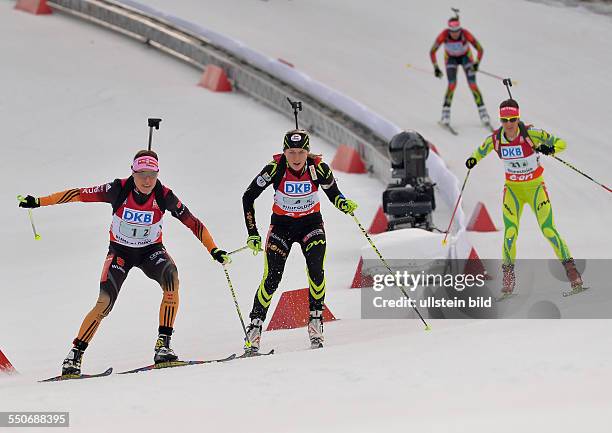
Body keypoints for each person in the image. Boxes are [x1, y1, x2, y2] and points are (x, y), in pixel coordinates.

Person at [18, 150, 231, 375]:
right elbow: (78, 194)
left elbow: (193, 223)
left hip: (151, 251)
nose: (147, 181)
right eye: (142, 175)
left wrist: (213, 249)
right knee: (104, 302)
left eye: (152, 175)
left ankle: (163, 347)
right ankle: (74, 356)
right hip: (120, 252)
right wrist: (39, 202)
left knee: (171, 278)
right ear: (133, 173)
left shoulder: (164, 195)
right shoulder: (117, 189)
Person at [241, 129, 358, 352]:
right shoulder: (275, 169)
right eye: (291, 152)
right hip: (281, 227)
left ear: (308, 152)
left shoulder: (318, 168)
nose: (296, 158)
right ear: (284, 152)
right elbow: (248, 196)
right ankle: (255, 327)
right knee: (272, 278)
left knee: (316, 271)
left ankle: (315, 323)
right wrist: (252, 232)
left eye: (301, 152)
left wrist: (343, 204)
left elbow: (334, 193)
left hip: (311, 225)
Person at [464, 99, 583, 295]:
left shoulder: (531, 134)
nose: (509, 124)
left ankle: (572, 273)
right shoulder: (496, 139)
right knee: (510, 234)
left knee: (549, 231)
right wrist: (472, 160)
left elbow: (562, 143)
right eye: (504, 120)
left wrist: (550, 149)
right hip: (513, 192)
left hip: (536, 189)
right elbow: (481, 150)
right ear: (500, 120)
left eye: (512, 119)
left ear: (518, 118)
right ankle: (508, 279)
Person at [430, 16, 489, 127]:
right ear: (449, 30)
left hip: (466, 57)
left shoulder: (465, 34)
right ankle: (445, 113)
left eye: (457, 31)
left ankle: (483, 112)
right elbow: (432, 51)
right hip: (451, 59)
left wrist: (476, 63)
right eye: (452, 31)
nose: (455, 34)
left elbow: (480, 49)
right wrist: (436, 67)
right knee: (452, 84)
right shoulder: (444, 35)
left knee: (472, 84)